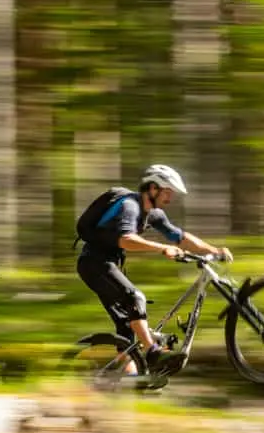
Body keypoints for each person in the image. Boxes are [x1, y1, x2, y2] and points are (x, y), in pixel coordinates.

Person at [76, 164, 232, 387]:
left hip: (110, 264)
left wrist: (213, 250)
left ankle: (130, 379)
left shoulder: (154, 214)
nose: (170, 197)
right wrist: (162, 248)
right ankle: (153, 352)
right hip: (94, 263)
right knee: (135, 297)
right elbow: (126, 240)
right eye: (167, 192)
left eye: (171, 193)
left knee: (127, 325)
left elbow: (180, 237)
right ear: (152, 188)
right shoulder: (130, 206)